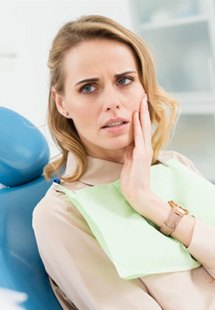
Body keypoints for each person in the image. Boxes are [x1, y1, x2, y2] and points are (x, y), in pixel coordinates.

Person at [33, 15, 215, 310]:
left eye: (124, 80)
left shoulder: (176, 165)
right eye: (88, 88)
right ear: (62, 103)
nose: (112, 102)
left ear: (144, 88)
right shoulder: (61, 214)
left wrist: (151, 204)